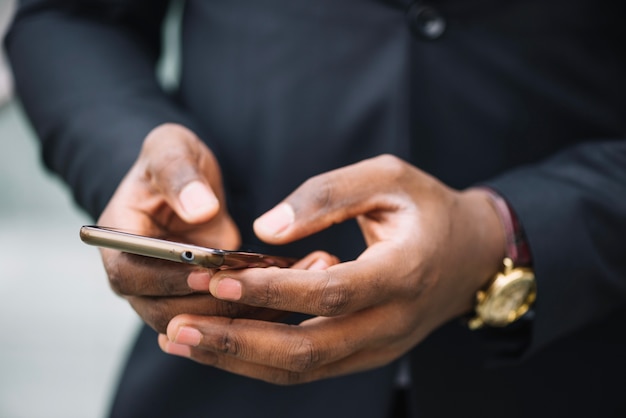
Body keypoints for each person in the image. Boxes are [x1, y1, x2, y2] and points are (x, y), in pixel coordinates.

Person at [5, 0, 626, 417]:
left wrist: (507, 235)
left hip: (579, 364)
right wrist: (141, 163)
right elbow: (70, 17)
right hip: (216, 385)